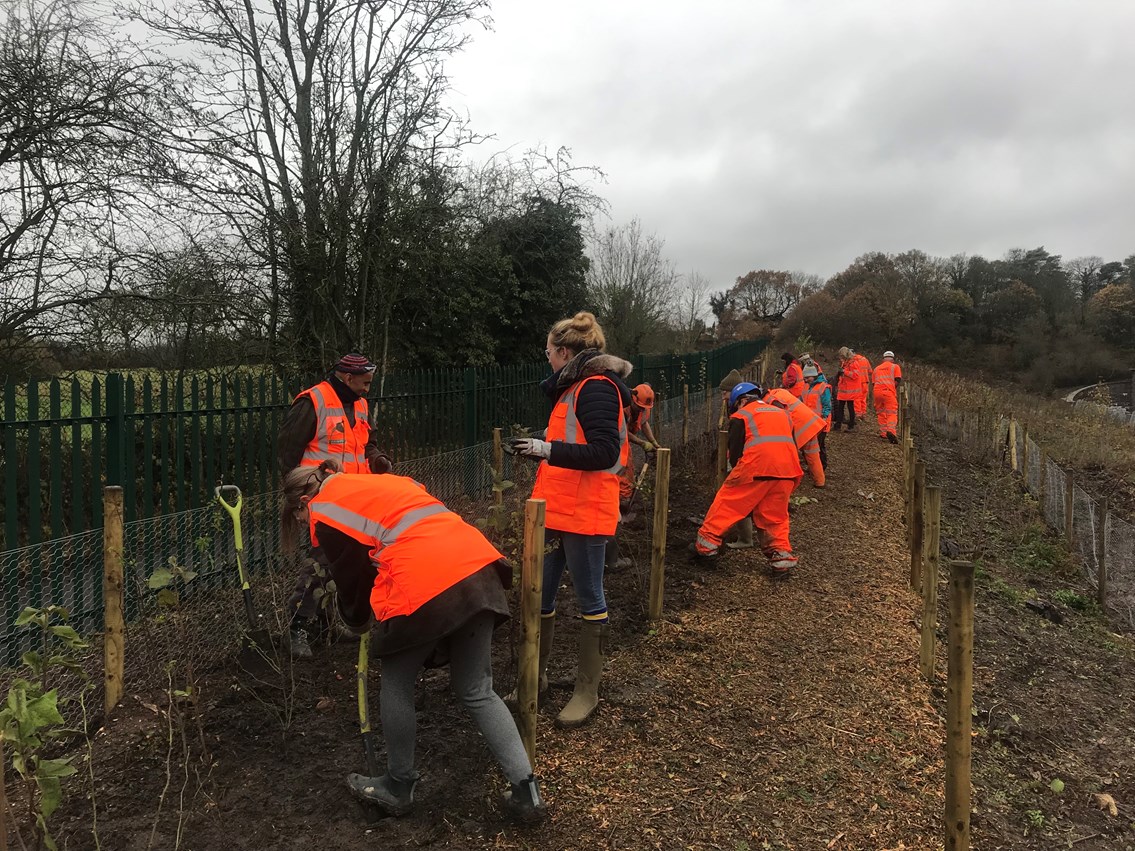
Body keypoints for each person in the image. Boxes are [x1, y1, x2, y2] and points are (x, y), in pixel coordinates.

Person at [279, 461, 547, 824]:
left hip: (425, 583)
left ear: (304, 501)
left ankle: (398, 784)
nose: (302, 523)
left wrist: (357, 621)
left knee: (396, 683)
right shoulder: (382, 483)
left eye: (298, 517)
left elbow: (352, 577)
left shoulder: (324, 510)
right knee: (477, 688)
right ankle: (526, 791)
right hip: (478, 570)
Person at [504, 311, 631, 728]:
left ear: (562, 351)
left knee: (590, 598)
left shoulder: (595, 389)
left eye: (548, 353)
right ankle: (535, 678)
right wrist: (542, 447)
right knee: (539, 595)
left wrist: (545, 450)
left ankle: (587, 691)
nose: (548, 361)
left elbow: (604, 453)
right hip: (558, 509)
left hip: (585, 511)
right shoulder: (574, 389)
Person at [277, 353, 394, 658]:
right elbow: (288, 453)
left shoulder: (360, 405)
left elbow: (367, 442)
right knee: (322, 561)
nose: (368, 389)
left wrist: (377, 458)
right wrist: (297, 496)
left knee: (345, 562)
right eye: (365, 383)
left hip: (354, 500)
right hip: (320, 499)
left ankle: (330, 622)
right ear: (347, 378)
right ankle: (296, 626)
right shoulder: (312, 402)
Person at [690, 382, 803, 579]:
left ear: (741, 401)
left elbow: (735, 455)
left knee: (726, 504)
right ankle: (781, 560)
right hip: (787, 470)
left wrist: (735, 472)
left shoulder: (741, 416)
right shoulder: (782, 412)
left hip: (757, 467)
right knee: (774, 517)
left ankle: (705, 547)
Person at [606, 383, 661, 569]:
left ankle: (624, 502)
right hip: (618, 441)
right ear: (633, 399)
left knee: (629, 474)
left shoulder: (644, 408)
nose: (642, 410)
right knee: (623, 471)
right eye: (640, 406)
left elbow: (644, 423)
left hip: (628, 440)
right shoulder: (623, 406)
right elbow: (623, 432)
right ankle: (620, 503)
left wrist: (653, 442)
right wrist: (642, 444)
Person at [764, 386, 826, 488]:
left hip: (799, 427)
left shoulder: (769, 400)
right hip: (810, 422)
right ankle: (820, 482)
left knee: (792, 455)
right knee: (813, 454)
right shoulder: (780, 392)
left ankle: (792, 480)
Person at [801, 364, 832, 472]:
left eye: (807, 377)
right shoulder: (806, 387)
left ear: (813, 376)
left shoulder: (823, 387)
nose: (805, 379)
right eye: (804, 377)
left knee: (819, 445)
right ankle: (814, 467)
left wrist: (824, 418)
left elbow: (827, 405)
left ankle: (821, 467)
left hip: (821, 422)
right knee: (811, 446)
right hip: (810, 422)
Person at [872, 351, 903, 444]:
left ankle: (883, 433)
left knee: (881, 412)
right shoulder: (895, 367)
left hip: (877, 392)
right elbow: (897, 380)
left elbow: (873, 383)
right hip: (888, 392)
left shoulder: (876, 368)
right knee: (891, 413)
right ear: (892, 359)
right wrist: (892, 388)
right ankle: (891, 431)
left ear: (883, 359)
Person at [832, 347, 861, 431]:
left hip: (850, 390)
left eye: (842, 356)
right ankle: (838, 425)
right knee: (841, 407)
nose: (841, 358)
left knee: (850, 407)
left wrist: (844, 372)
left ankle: (851, 425)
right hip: (844, 389)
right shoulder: (845, 363)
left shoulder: (854, 363)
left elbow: (855, 375)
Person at [851, 350, 872, 419]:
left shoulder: (852, 361)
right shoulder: (865, 359)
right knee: (863, 398)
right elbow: (870, 371)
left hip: (857, 382)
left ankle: (858, 414)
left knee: (857, 398)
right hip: (865, 382)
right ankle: (863, 413)